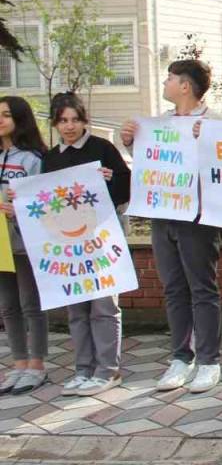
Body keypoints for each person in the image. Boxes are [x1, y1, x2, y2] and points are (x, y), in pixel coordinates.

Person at [121, 60, 222, 394]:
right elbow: (149, 164)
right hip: (162, 216)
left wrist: (209, 140)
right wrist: (130, 142)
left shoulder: (215, 122)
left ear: (185, 86)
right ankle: (181, 357)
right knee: (173, 289)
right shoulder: (160, 124)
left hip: (197, 218)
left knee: (202, 288)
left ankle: (209, 361)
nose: (164, 83)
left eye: (169, 79)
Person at [44, 92, 131, 397]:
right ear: (55, 123)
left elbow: (125, 188)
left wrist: (111, 179)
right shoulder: (50, 158)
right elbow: (44, 203)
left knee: (104, 306)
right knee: (76, 308)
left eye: (75, 120)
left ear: (84, 120)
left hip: (101, 240)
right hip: (68, 246)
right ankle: (83, 369)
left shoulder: (102, 149)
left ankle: (108, 370)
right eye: (63, 120)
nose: (69, 126)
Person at [0, 97, 48, 396]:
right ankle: (19, 363)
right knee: (7, 306)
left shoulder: (32, 158)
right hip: (0, 244)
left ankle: (37, 365)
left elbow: (42, 199)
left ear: (20, 118)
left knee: (31, 304)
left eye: (5, 114)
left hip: (25, 240)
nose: (0, 120)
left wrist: (19, 209)